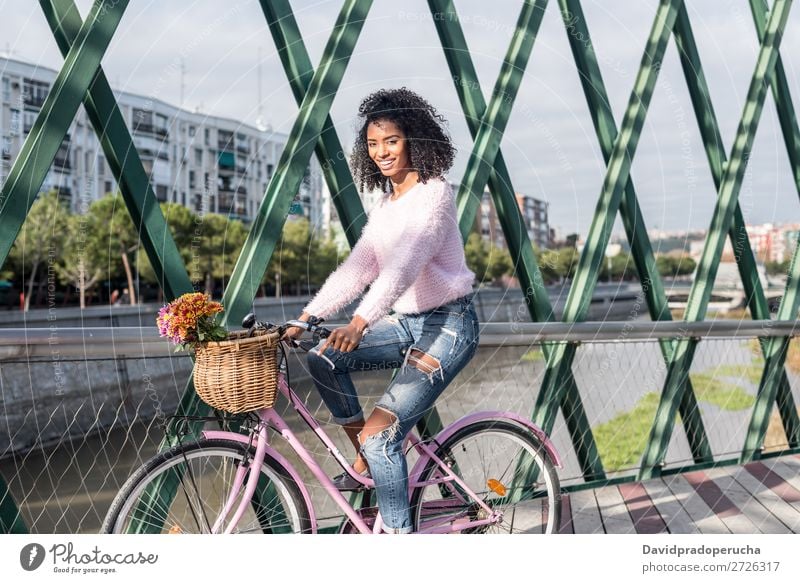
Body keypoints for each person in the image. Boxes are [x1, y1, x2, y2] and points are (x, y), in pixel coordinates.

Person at [281, 87, 480, 534]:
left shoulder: (434, 194)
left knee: (382, 434)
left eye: (391, 140)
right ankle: (370, 460)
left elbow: (405, 265)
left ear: (414, 140)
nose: (381, 152)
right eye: (372, 144)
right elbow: (359, 267)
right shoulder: (388, 205)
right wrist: (307, 317)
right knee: (323, 357)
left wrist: (359, 321)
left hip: (448, 326)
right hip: (407, 324)